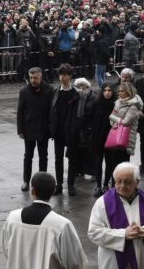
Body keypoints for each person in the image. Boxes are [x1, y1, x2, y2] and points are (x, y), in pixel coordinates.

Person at [88, 162, 144, 269]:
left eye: (127, 182)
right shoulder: (103, 203)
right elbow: (94, 232)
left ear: (136, 182)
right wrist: (124, 234)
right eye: (118, 181)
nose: (122, 186)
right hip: (113, 262)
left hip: (143, 260)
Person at [2, 172, 88, 269]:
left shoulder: (12, 218)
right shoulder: (61, 225)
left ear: (32, 191)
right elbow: (76, 263)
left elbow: (8, 251)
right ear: (53, 191)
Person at [17, 67, 54, 191]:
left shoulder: (49, 90)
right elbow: (20, 112)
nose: (33, 80)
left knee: (43, 156)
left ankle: (41, 181)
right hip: (29, 129)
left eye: (35, 78)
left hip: (43, 129)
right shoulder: (24, 91)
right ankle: (26, 181)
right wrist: (20, 130)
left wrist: (51, 128)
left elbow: (52, 111)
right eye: (31, 78)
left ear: (41, 76)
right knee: (28, 156)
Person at [49, 63, 80, 196]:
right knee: (58, 158)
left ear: (70, 76)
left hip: (72, 131)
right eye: (61, 75)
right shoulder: (55, 92)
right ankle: (59, 184)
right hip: (59, 130)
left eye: (65, 75)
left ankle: (71, 184)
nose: (62, 77)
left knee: (72, 158)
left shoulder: (76, 93)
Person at [91, 83, 116, 197]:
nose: (107, 92)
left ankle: (106, 183)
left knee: (110, 161)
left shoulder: (116, 104)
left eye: (109, 90)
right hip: (97, 136)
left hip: (110, 136)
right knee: (97, 161)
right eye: (105, 90)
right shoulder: (96, 103)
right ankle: (98, 185)